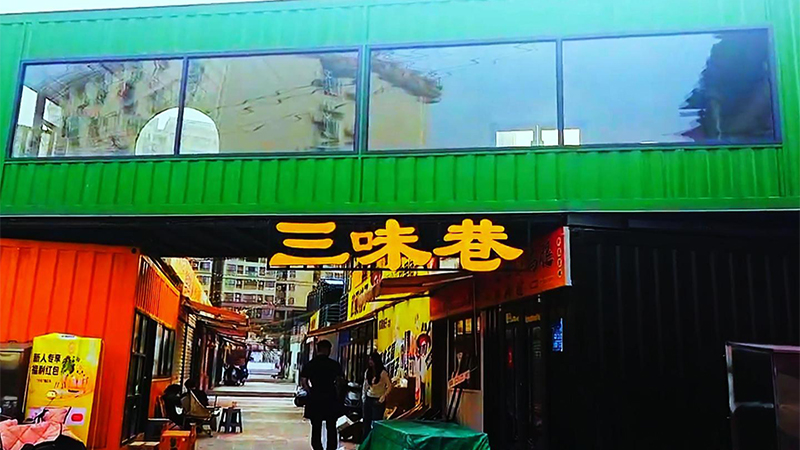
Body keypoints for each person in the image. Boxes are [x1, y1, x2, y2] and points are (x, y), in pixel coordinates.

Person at [300, 340, 344, 450]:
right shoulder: (334, 364)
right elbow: (340, 381)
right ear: (327, 350)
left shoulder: (310, 364)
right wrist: (337, 394)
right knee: (331, 426)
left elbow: (304, 381)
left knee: (316, 427)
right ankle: (331, 448)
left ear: (317, 349)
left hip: (315, 398)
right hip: (330, 398)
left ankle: (317, 448)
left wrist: (310, 391)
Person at [362, 352, 392, 437]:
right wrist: (364, 396)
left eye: (372, 360)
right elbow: (365, 385)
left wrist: (384, 396)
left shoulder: (383, 373)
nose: (370, 362)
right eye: (369, 359)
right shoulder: (368, 372)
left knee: (376, 422)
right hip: (369, 398)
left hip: (378, 400)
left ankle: (375, 439)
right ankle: (366, 440)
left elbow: (389, 386)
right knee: (366, 422)